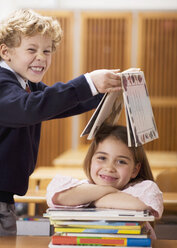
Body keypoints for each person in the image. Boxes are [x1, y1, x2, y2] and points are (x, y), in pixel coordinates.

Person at [0, 9, 122, 236]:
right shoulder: (3, 84)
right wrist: (88, 83)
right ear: (6, 52)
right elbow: (31, 108)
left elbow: (58, 105)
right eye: (31, 49)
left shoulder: (26, 85)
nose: (41, 57)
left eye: (47, 51)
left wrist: (102, 93)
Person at [47, 124, 164, 239]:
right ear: (90, 160)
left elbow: (141, 205)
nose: (109, 168)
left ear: (135, 169)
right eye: (102, 158)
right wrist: (109, 191)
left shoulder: (144, 189)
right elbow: (57, 196)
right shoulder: (81, 186)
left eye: (121, 162)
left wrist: (90, 199)